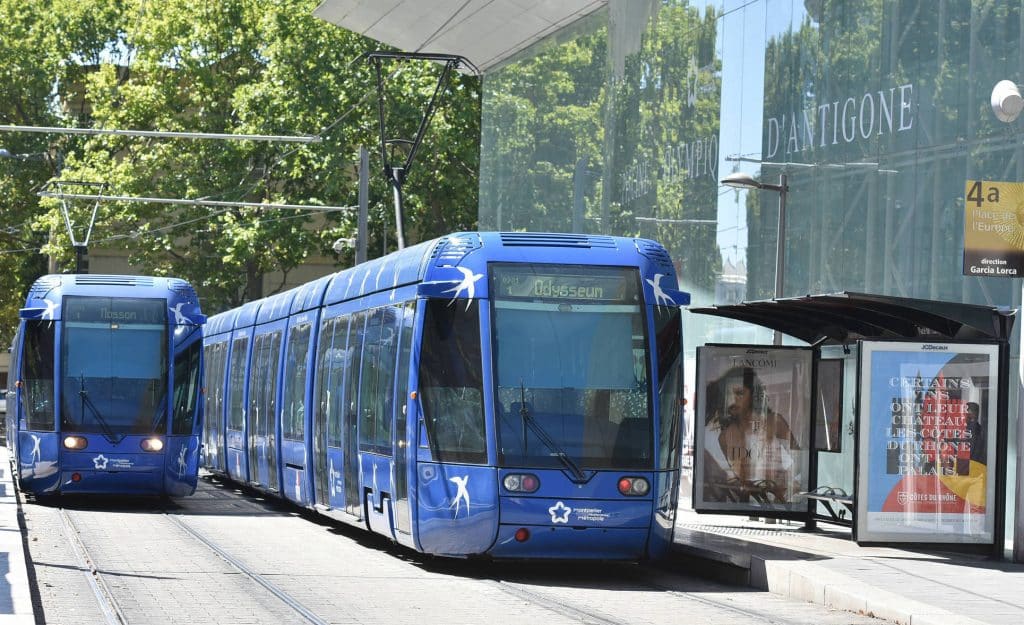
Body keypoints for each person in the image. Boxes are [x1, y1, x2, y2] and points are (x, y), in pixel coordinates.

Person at [709, 366, 799, 503]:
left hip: (778, 502)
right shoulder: (725, 436)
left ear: (753, 395)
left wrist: (787, 486)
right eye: (729, 394)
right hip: (745, 506)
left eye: (739, 393)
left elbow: (800, 462)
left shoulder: (774, 423)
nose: (733, 400)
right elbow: (735, 476)